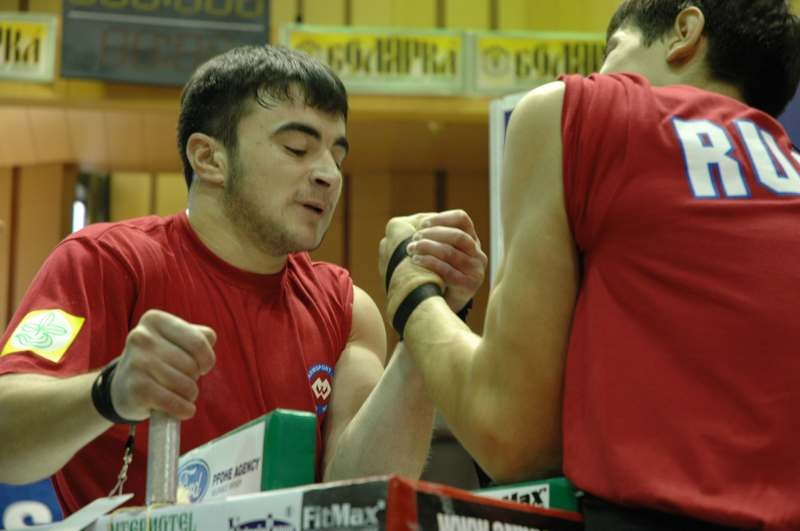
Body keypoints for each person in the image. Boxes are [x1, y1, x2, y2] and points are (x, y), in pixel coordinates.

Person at [0, 45, 488, 514]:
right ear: (209, 158)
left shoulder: (346, 307)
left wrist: (425, 314)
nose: (328, 175)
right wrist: (110, 391)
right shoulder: (105, 261)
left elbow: (357, 492)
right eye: (297, 148)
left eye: (337, 156)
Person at [379, 1, 800, 529]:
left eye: (612, 53)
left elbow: (510, 437)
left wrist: (411, 287)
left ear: (684, 33)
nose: (601, 75)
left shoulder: (581, 110)